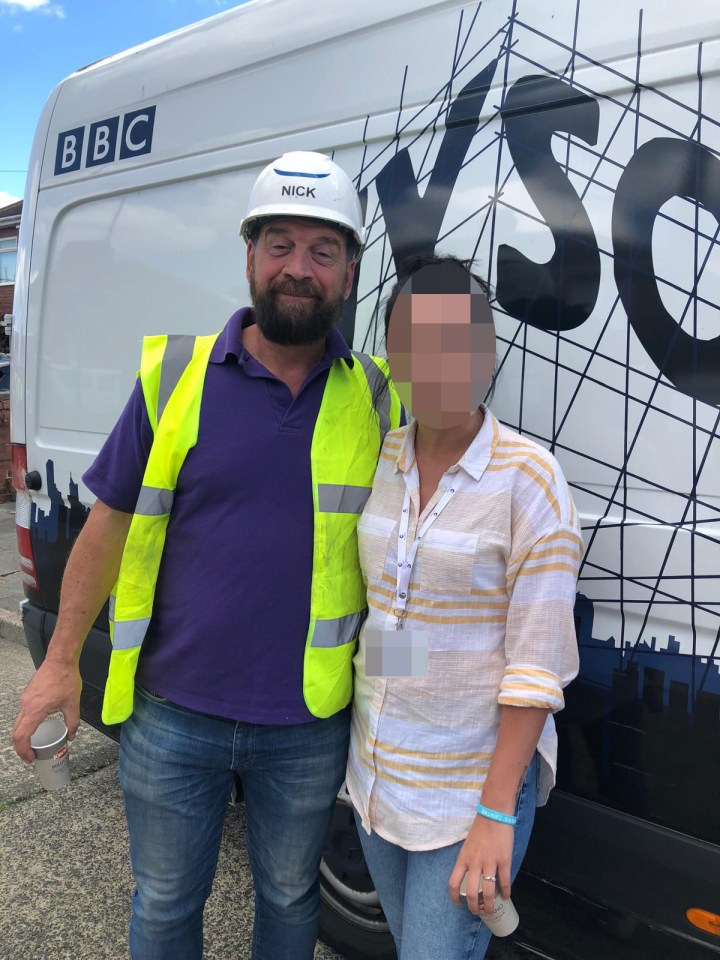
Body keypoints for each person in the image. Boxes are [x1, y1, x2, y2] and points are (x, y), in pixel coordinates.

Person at [11, 151, 401, 960]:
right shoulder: (177, 376)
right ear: (250, 255)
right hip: (170, 714)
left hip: (307, 723)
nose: (300, 269)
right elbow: (107, 524)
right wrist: (54, 665)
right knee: (164, 904)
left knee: (291, 902)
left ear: (351, 269)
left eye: (323, 250)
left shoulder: (376, 397)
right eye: (281, 244)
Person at [346, 254, 583, 960]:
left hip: (466, 793)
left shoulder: (529, 479)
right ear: (394, 355)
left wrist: (492, 812)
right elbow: (397, 624)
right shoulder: (382, 458)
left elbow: (537, 664)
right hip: (375, 778)